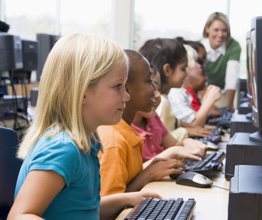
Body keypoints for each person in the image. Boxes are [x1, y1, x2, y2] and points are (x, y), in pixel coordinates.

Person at [8, 34, 160, 220]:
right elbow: (19, 216)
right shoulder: (62, 148)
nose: (126, 96)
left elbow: (81, 210)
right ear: (82, 93)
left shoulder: (85, 144)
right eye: (118, 86)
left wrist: (124, 200)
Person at [97, 50, 206, 197]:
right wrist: (147, 175)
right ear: (126, 89)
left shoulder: (129, 131)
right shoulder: (113, 143)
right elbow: (110, 208)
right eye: (149, 82)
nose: (155, 89)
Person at [139, 38, 211, 141]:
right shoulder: (161, 102)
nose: (186, 74)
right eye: (183, 69)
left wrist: (185, 126)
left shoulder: (164, 99)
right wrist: (185, 131)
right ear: (167, 70)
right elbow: (159, 140)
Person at [132, 64, 207, 162]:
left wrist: (185, 142)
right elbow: (133, 175)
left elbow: (173, 144)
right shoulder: (124, 130)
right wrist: (172, 152)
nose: (158, 95)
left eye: (158, 89)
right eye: (152, 89)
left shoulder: (153, 119)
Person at [168, 44, 221, 127]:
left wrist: (207, 98)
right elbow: (195, 126)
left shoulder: (183, 91)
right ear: (186, 65)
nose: (199, 65)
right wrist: (209, 100)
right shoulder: (175, 92)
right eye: (195, 61)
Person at [201, 12, 241, 111]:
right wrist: (207, 104)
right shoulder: (199, 47)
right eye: (216, 30)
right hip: (202, 94)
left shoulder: (233, 46)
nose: (220, 34)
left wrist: (229, 106)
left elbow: (232, 76)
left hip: (223, 94)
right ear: (207, 28)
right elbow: (198, 78)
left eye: (224, 30)